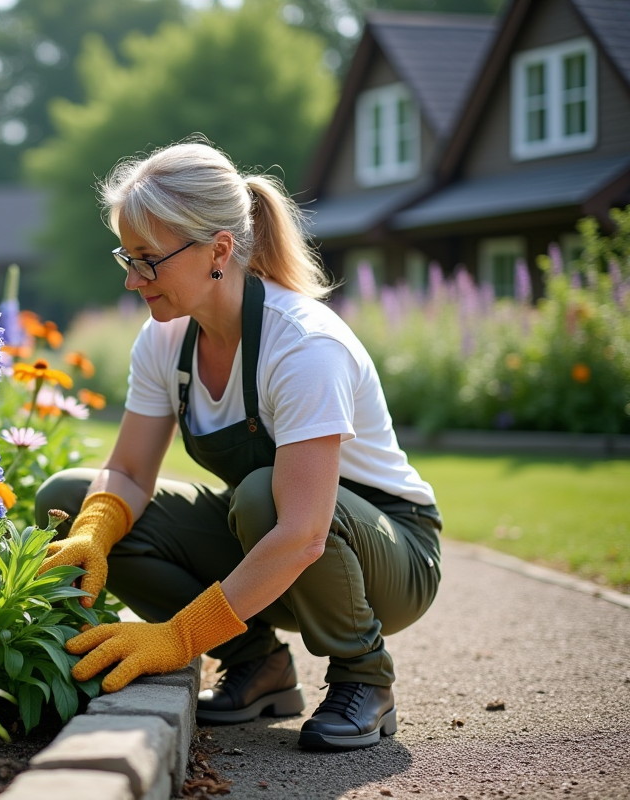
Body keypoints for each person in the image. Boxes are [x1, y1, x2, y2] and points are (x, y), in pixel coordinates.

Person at [34, 140, 442, 751]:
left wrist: (177, 637)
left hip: (392, 555)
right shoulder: (165, 339)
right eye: (128, 256)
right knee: (70, 497)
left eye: (148, 259)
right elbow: (127, 470)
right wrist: (92, 533)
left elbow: (304, 530)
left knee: (263, 497)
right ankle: (258, 667)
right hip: (274, 538)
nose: (130, 278)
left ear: (218, 250)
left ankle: (365, 677)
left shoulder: (302, 345)